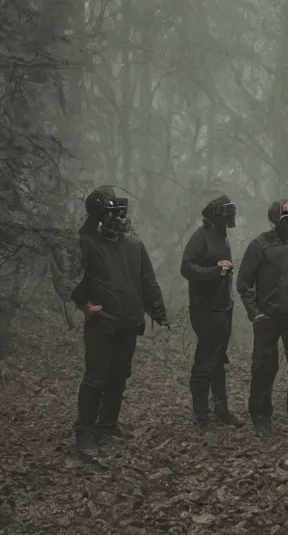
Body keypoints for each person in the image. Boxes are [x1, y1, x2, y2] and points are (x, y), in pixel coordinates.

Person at [64, 187, 169, 459]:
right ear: (100, 217)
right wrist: (83, 304)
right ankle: (85, 434)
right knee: (96, 378)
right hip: (102, 323)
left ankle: (107, 424)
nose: (121, 218)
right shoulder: (85, 242)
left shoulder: (134, 245)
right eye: (114, 214)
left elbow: (147, 281)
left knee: (119, 376)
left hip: (129, 321)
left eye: (121, 213)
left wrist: (158, 313)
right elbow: (69, 277)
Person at [236, 199, 288, 433]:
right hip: (268, 318)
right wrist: (254, 312)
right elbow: (243, 282)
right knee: (264, 367)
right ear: (274, 218)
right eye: (284, 215)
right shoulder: (259, 245)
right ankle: (260, 415)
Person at [180, 191, 243, 429]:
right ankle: (202, 415)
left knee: (218, 359)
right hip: (204, 309)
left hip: (222, 306)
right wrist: (214, 271)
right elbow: (186, 268)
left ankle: (221, 409)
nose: (229, 220)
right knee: (207, 359)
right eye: (226, 215)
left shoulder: (220, 236)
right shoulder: (201, 236)